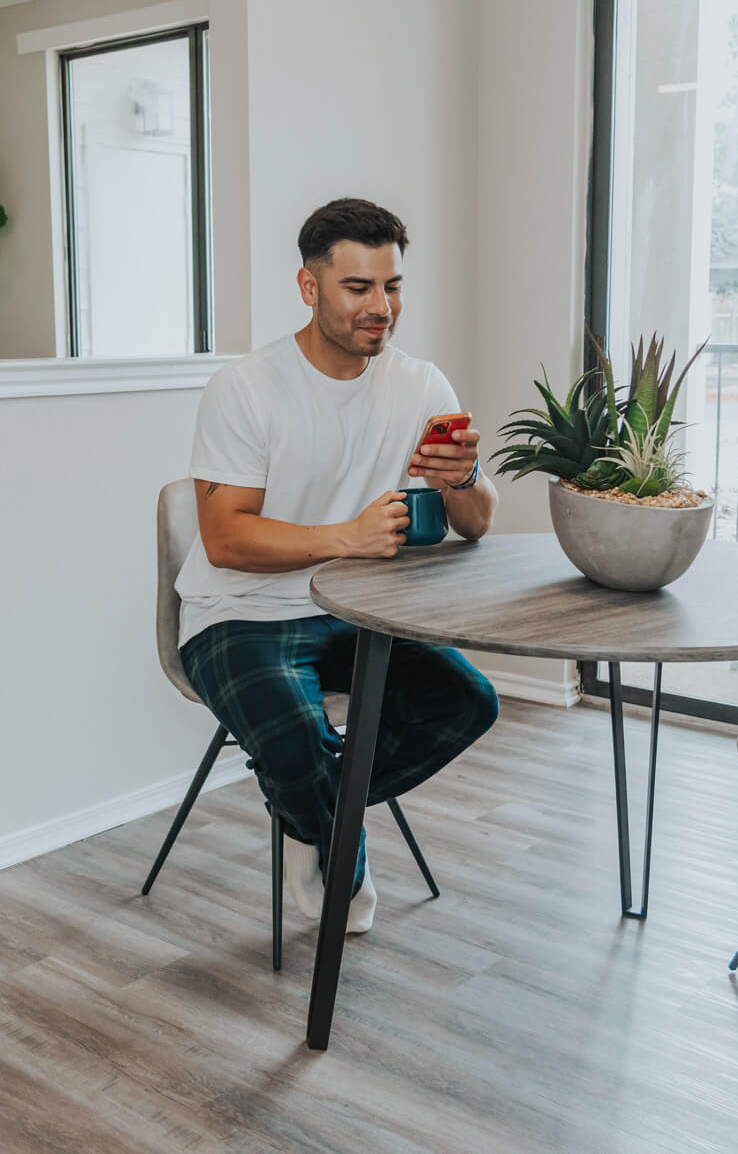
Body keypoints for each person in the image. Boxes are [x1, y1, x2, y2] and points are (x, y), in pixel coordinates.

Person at [175, 197, 500, 935]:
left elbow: (478, 524)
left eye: (393, 286)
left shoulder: (420, 385)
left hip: (357, 614)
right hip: (238, 614)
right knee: (295, 735)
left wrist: (461, 476)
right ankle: (339, 848)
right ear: (309, 286)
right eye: (359, 288)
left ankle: (304, 815)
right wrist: (347, 537)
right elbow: (226, 540)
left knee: (469, 703)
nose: (381, 307)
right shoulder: (246, 388)